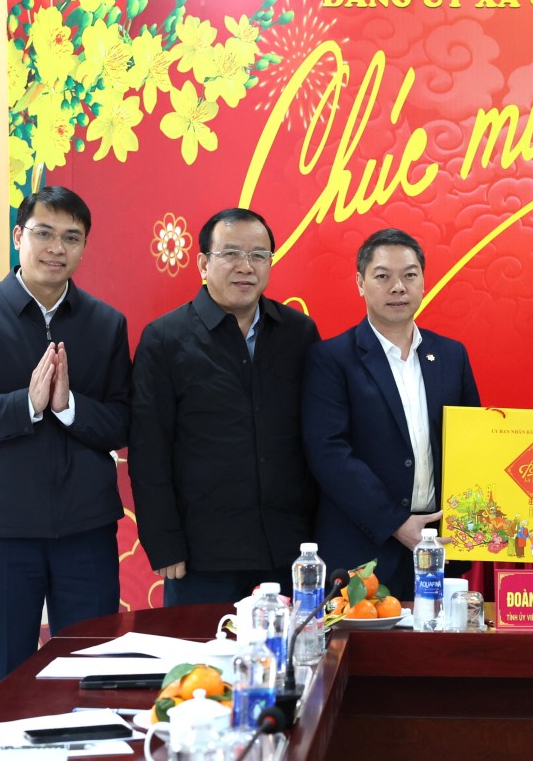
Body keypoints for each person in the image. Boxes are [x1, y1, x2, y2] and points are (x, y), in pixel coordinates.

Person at [0, 186, 130, 695]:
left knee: (90, 683)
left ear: (84, 247)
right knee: (3, 686)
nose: (56, 248)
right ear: (19, 236)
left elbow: (124, 422)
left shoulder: (106, 324)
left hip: (87, 531)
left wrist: (68, 406)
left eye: (71, 238)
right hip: (1, 532)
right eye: (44, 233)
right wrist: (27, 406)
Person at [129, 208, 321, 605]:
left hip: (287, 546)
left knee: (293, 647)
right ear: (203, 263)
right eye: (230, 253)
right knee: (198, 649)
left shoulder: (298, 333)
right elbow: (149, 451)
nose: (245, 267)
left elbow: (317, 439)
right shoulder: (165, 339)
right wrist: (164, 543)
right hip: (202, 554)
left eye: (258, 255)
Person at [301, 229, 480, 599]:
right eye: (383, 276)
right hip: (362, 549)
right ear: (360, 283)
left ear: (423, 282)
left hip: (438, 545)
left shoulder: (452, 355)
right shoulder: (332, 359)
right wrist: (397, 523)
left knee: (442, 637)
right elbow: (329, 453)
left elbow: (472, 443)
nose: (398, 287)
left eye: (409, 275)